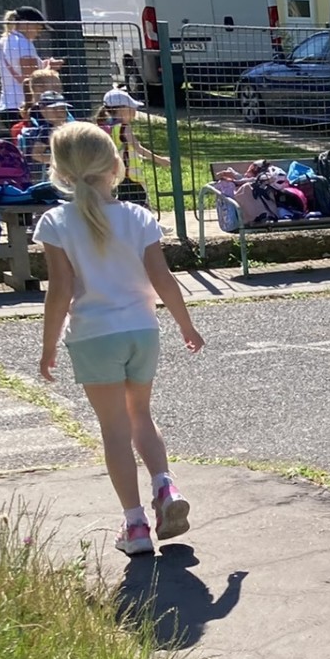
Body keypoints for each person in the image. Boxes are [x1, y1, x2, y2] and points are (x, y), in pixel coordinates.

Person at [36, 121, 205, 556]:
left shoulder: (56, 222)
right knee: (141, 416)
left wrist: (49, 345)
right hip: (142, 331)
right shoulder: (138, 216)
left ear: (61, 172)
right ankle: (165, 487)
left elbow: (59, 291)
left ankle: (135, 526)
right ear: (116, 164)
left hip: (94, 336)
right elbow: (162, 278)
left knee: (114, 430)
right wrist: (185, 325)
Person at [93, 87, 171, 196]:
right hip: (130, 175)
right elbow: (138, 148)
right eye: (132, 108)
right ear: (122, 109)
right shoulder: (124, 128)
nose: (135, 112)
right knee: (139, 202)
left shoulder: (104, 127)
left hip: (115, 174)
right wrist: (161, 160)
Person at [0, 7, 63, 124]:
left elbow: (20, 69)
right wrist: (50, 69)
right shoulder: (23, 43)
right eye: (38, 27)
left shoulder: (3, 41)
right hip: (24, 107)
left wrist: (44, 65)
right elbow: (32, 78)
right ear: (26, 24)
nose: (39, 33)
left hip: (7, 105)